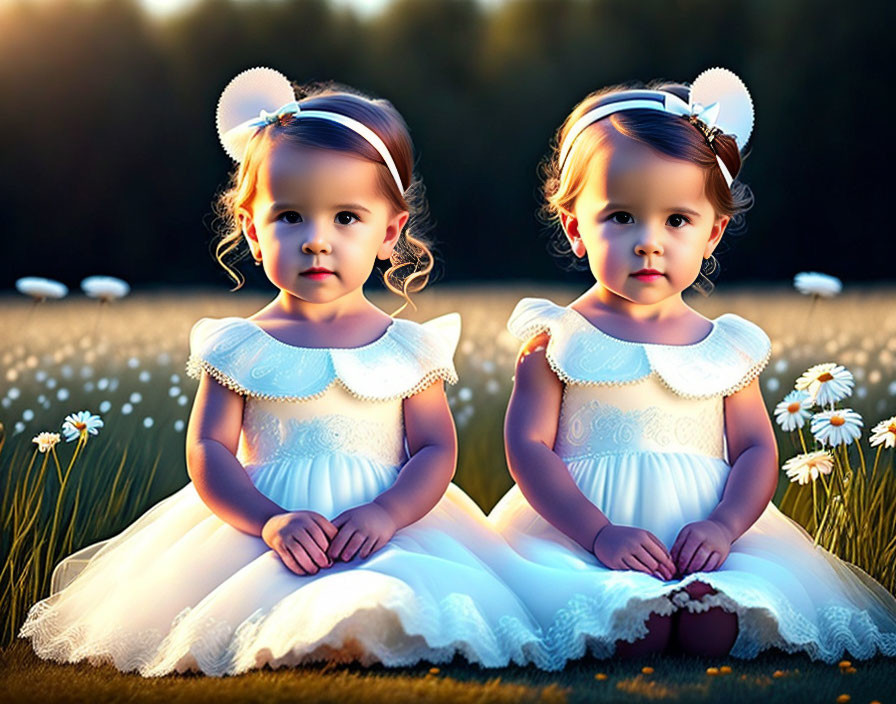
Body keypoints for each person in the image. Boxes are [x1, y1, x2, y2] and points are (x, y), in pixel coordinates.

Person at [18, 67, 547, 677]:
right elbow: (210, 450)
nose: (316, 241)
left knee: (396, 595)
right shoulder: (240, 346)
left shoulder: (407, 346)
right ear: (252, 228)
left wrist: (387, 514)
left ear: (389, 232)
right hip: (263, 523)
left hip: (384, 523)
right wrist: (268, 519)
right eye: (290, 217)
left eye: (345, 218)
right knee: (255, 605)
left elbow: (433, 450)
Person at [489, 68, 896, 666]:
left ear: (713, 232)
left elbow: (756, 449)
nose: (649, 242)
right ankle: (630, 596)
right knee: (636, 629)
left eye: (676, 220)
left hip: (708, 539)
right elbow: (528, 448)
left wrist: (726, 527)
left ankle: (701, 595)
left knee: (711, 629)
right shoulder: (558, 339)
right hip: (580, 538)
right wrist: (599, 533)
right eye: (621, 217)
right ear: (576, 227)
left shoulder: (724, 346)